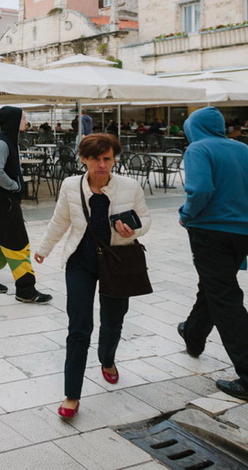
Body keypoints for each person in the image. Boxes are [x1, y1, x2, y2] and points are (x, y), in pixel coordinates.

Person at [34, 133, 152, 419]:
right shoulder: (71, 185)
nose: (102, 165)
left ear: (114, 159)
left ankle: (107, 359)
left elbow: (145, 218)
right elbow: (60, 219)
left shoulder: (130, 186)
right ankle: (71, 394)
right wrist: (44, 248)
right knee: (79, 327)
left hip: (118, 262)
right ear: (83, 159)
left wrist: (134, 231)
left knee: (113, 320)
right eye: (96, 159)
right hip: (81, 262)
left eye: (107, 159)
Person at [177, 106, 248, 401]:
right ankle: (193, 334)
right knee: (214, 286)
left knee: (225, 299)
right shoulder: (244, 149)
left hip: (212, 230)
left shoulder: (198, 149)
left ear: (192, 127)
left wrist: (186, 215)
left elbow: (199, 189)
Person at [0, 107, 53, 303]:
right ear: (14, 120)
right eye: (24, 117)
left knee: (0, 239)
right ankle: (25, 289)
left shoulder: (9, 140)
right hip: (4, 200)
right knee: (17, 243)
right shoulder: (2, 142)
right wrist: (15, 186)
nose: (26, 120)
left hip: (3, 201)